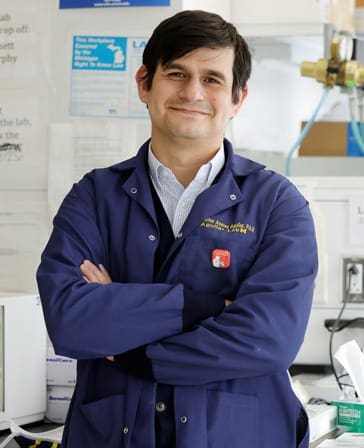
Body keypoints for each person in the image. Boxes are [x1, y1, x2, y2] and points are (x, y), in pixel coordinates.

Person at [36, 10, 318, 448]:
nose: (192, 92)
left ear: (238, 99)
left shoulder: (277, 204)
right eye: (177, 73)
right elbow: (72, 322)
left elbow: (270, 339)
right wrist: (205, 307)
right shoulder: (93, 197)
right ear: (145, 84)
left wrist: (132, 349)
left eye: (212, 79)